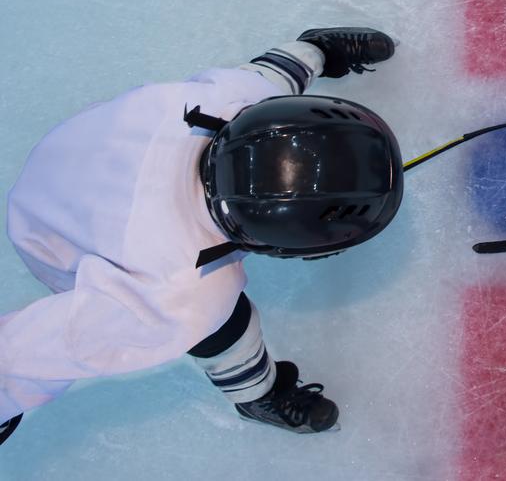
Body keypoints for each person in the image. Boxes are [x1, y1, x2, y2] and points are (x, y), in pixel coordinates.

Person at [0, 28, 401, 445]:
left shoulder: (230, 101)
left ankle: (318, 48)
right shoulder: (176, 293)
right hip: (51, 246)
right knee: (223, 324)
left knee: (261, 85)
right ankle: (256, 395)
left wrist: (315, 52)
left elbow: (268, 74)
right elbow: (32, 354)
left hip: (67, 156)